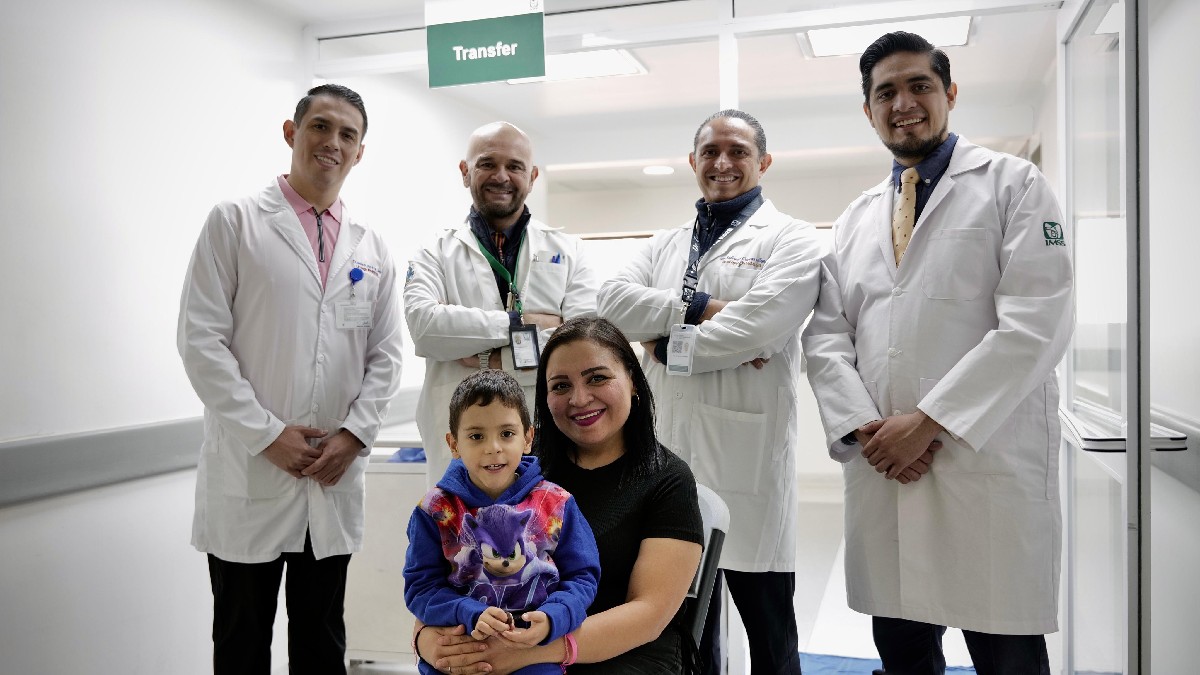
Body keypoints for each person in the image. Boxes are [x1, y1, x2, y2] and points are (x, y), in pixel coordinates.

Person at [801, 31, 1073, 675]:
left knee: (1006, 654)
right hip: (884, 468)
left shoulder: (1014, 186)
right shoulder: (856, 217)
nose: (903, 103)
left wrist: (927, 423)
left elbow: (1036, 322)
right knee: (903, 650)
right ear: (868, 110)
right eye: (884, 92)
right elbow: (826, 334)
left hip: (984, 466)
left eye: (919, 85)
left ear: (949, 93)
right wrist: (867, 429)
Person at [177, 84, 403, 674]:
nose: (332, 142)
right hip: (250, 472)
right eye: (320, 127)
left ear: (360, 152)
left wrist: (355, 435)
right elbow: (200, 341)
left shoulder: (371, 244)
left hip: (331, 475)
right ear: (291, 133)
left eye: (347, 134)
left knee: (322, 646)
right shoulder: (235, 222)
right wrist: (267, 434)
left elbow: (386, 352)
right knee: (242, 646)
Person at [596, 109, 822, 675]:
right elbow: (612, 302)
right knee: (685, 627)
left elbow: (760, 325)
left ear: (763, 162)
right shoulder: (665, 244)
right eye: (711, 151)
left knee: (769, 628)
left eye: (738, 151)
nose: (723, 163)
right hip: (665, 457)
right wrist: (707, 311)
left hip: (747, 461)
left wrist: (665, 344)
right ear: (693, 161)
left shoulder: (793, 240)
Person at [415, 317, 705, 674]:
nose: (580, 398)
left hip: (625, 652)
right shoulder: (515, 472)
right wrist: (426, 641)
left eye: (598, 378)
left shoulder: (668, 480)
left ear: (632, 380)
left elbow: (649, 615)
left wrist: (535, 651)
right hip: (514, 644)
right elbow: (446, 579)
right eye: (561, 385)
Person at [404, 121, 598, 486]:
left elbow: (582, 345)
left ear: (533, 175)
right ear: (465, 172)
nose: (501, 176)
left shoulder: (569, 251)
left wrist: (488, 359)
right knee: (461, 540)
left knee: (546, 535)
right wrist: (520, 324)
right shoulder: (434, 252)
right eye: (487, 164)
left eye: (515, 166)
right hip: (461, 439)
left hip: (544, 433)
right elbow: (426, 328)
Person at [403, 369, 600, 675]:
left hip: (534, 651)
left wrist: (552, 617)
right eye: (476, 436)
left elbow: (583, 577)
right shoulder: (435, 509)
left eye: (506, 434)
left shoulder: (557, 503)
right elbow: (420, 588)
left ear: (528, 438)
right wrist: (467, 612)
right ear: (454, 444)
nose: (493, 447)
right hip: (463, 649)